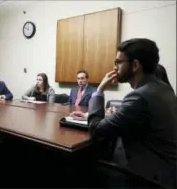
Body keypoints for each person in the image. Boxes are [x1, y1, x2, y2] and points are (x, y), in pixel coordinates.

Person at [70, 38, 177, 188]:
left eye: (118, 63)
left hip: (149, 177)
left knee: (79, 166)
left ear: (134, 65)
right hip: (168, 171)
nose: (115, 68)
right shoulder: (164, 89)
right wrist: (90, 115)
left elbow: (96, 130)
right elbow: (131, 119)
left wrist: (99, 91)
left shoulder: (139, 97)